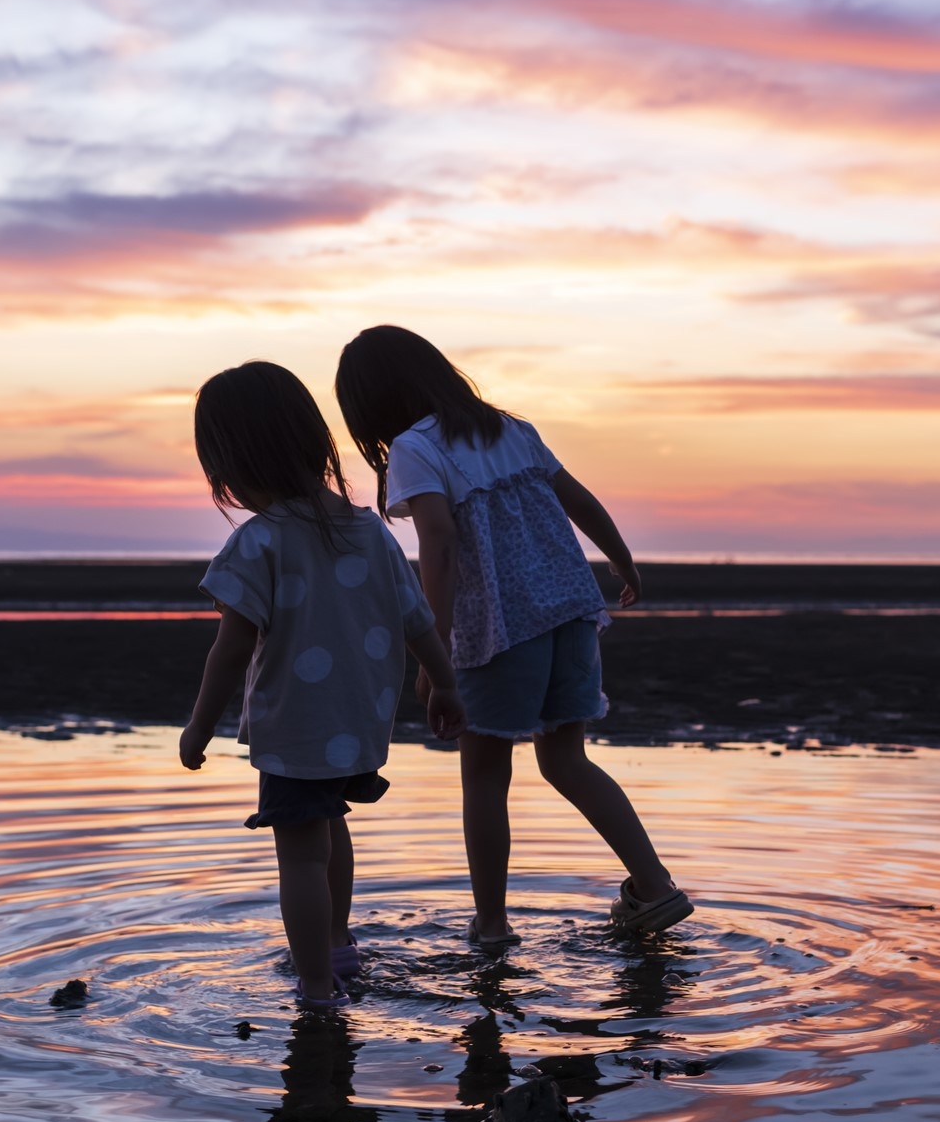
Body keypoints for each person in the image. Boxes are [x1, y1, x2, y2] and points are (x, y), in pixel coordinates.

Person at [334, 325, 692, 946]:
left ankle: (493, 925)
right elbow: (576, 496)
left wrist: (434, 644)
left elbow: (439, 544)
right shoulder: (509, 428)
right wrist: (621, 559)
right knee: (567, 761)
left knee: (483, 777)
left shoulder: (415, 447)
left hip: (500, 628)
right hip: (571, 612)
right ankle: (655, 887)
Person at [180, 360, 465, 1009]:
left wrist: (200, 724)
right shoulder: (368, 530)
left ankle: (315, 989)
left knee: (301, 856)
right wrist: (444, 686)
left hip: (299, 728)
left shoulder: (259, 545)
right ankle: (337, 947)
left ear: (233, 463)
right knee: (330, 829)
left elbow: (231, 650)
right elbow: (417, 618)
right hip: (358, 722)